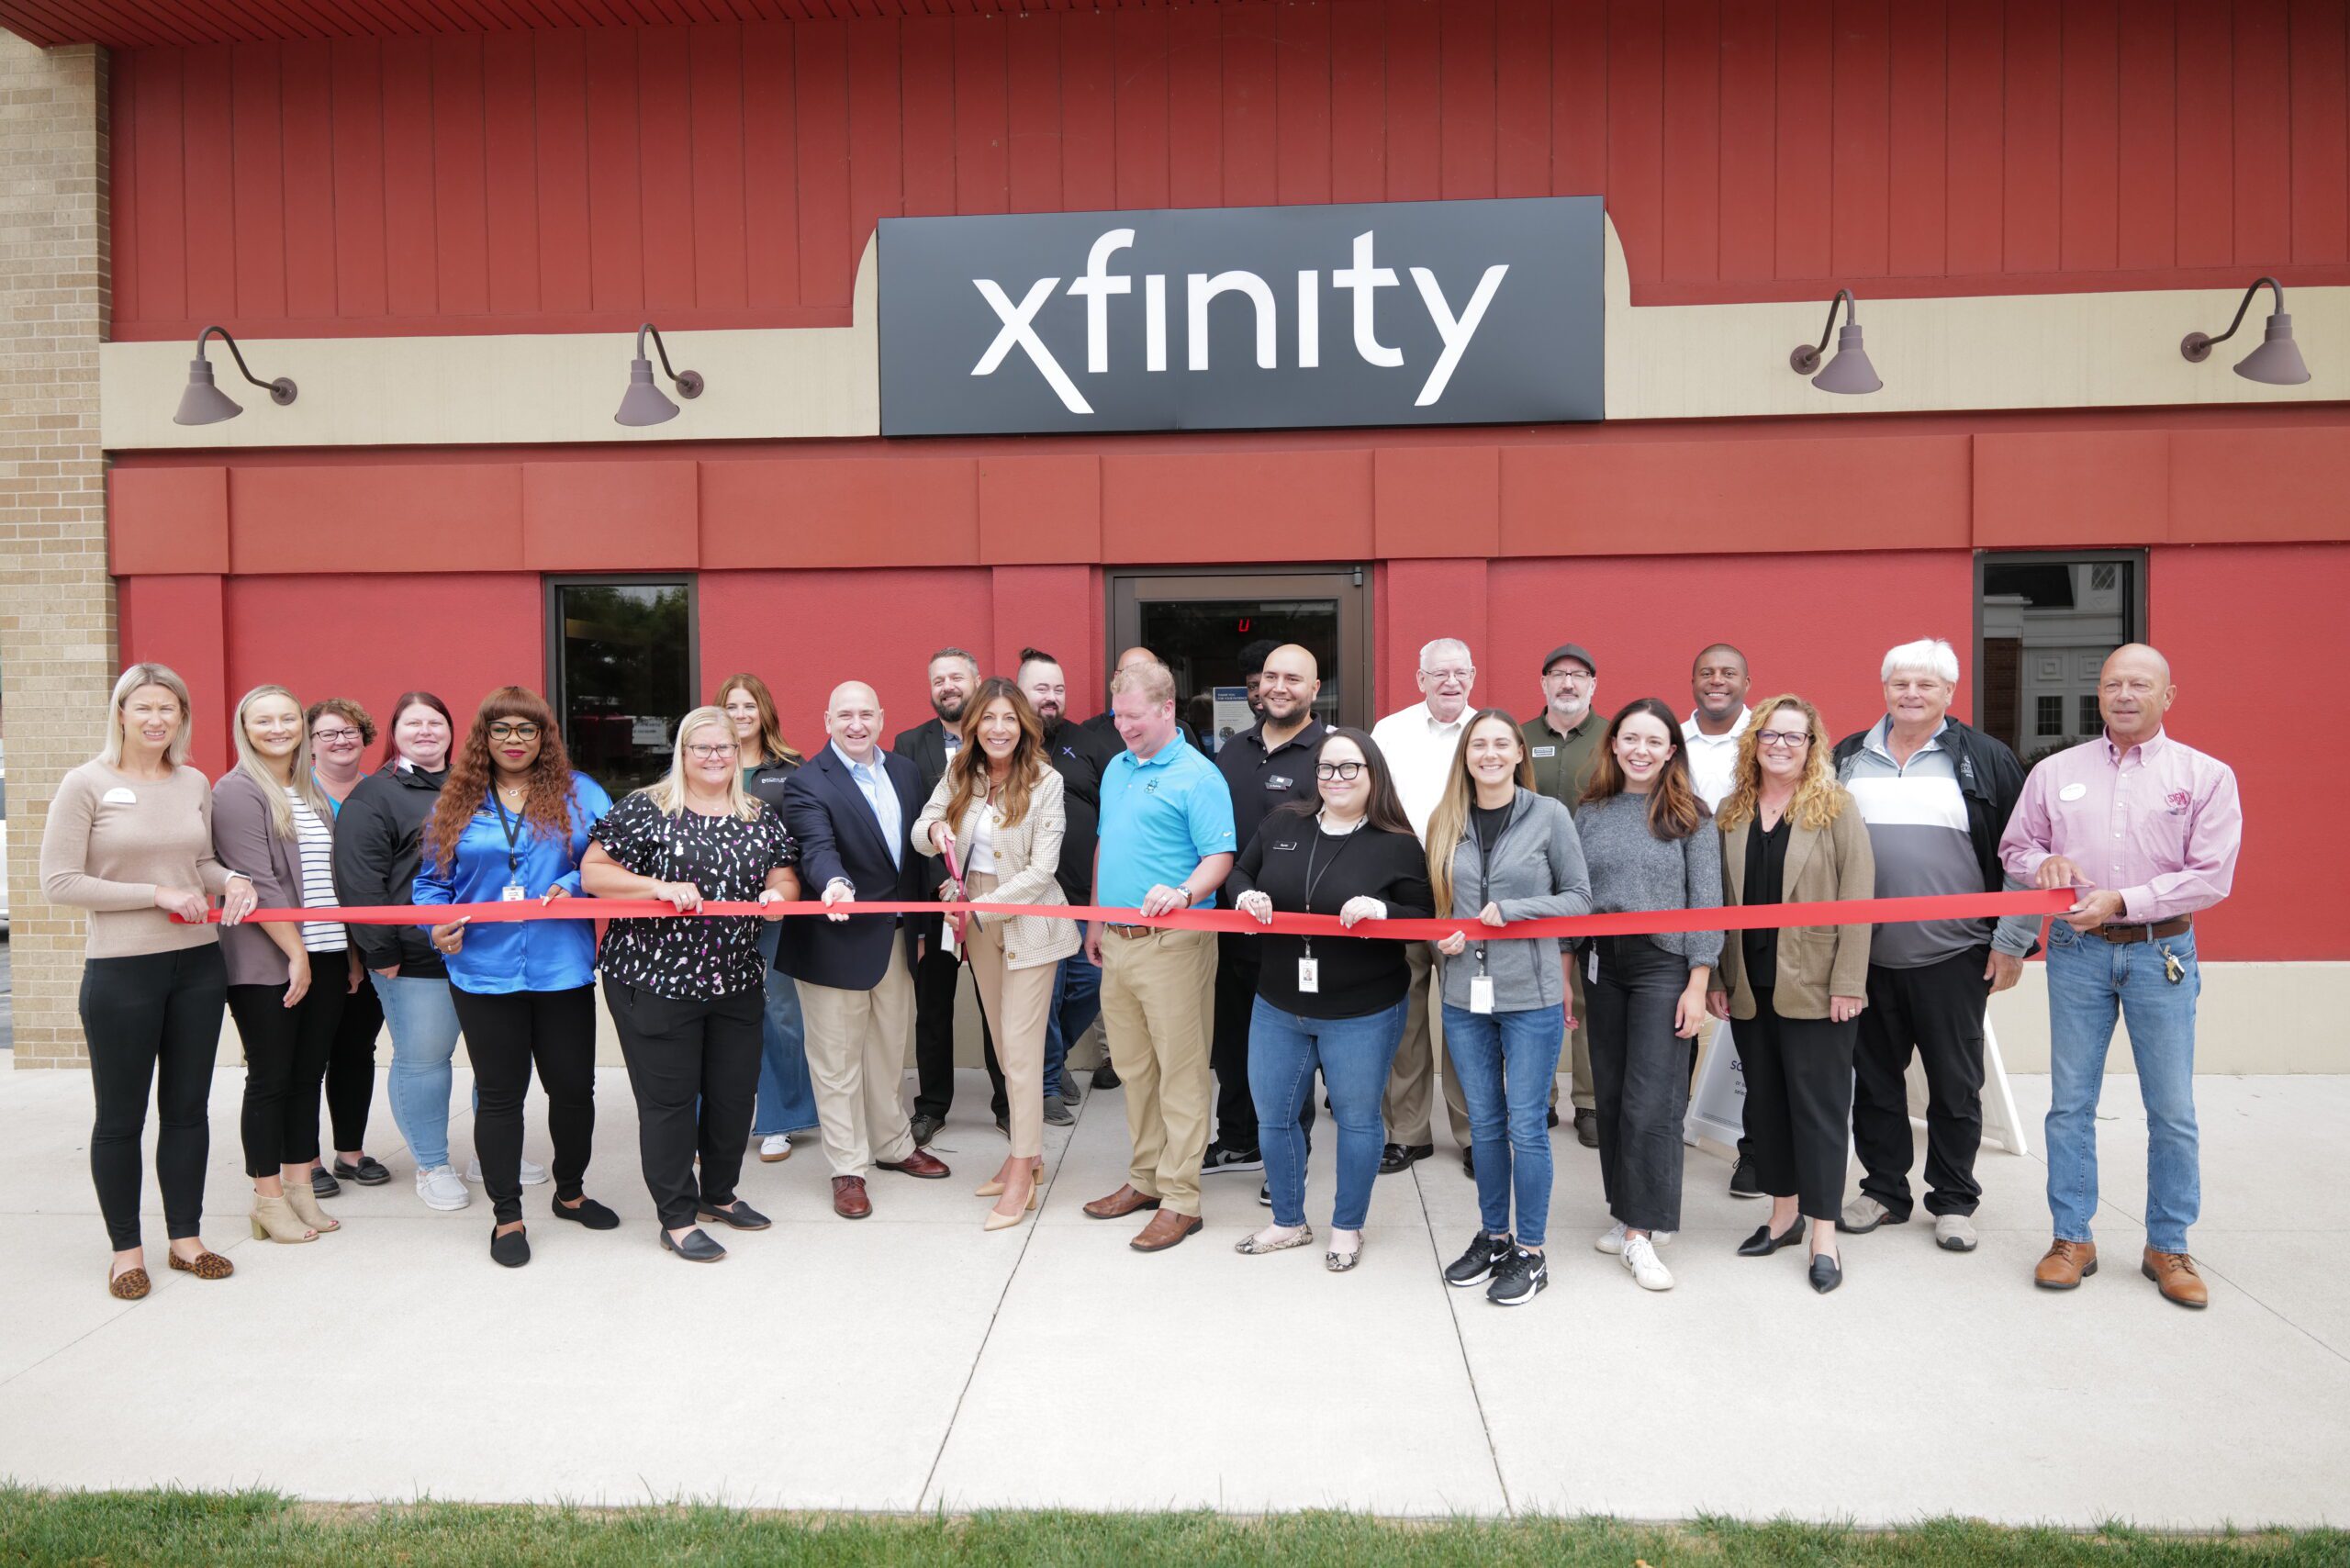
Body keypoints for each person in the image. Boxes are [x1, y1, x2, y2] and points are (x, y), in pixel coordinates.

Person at [2002, 644, 2241, 1310]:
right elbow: (2016, 847)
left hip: (2159, 955)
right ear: (2099, 695)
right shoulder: (2054, 771)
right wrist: (2042, 863)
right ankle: (2072, 1238)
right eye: (2113, 685)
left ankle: (2167, 1243)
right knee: (2069, 1103)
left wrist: (2123, 900)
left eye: (2140, 684)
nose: (2125, 695)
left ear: (2169, 695)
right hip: (2076, 955)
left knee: (2171, 1110)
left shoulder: (2206, 776)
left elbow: (2210, 875)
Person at [41, 663, 257, 1299]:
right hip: (121, 969)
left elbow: (200, 863)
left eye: (169, 709)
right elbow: (58, 882)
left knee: (188, 1109)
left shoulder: (192, 781)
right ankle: (126, 1251)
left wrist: (233, 880)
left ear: (182, 718)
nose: (157, 719)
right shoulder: (85, 783)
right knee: (121, 1117)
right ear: (121, 714)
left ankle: (185, 1240)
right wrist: (154, 893)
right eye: (144, 708)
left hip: (197, 963)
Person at [1830, 638, 2038, 1254]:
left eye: (1926, 684)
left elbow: (2021, 852)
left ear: (1950, 692)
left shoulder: (1985, 758)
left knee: (1954, 1085)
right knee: (1874, 1083)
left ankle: (1952, 1200)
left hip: (1955, 956)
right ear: (1885, 689)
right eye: (1900, 683)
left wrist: (2011, 942)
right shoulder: (1847, 758)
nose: (1911, 694)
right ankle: (1884, 1191)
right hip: (1863, 959)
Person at [583, 707, 802, 1263]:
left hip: (735, 979)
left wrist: (781, 896)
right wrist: (657, 887)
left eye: (723, 748)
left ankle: (719, 1196)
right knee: (670, 1103)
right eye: (700, 748)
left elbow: (782, 871)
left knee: (733, 1096)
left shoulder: (757, 813)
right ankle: (676, 1217)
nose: (712, 757)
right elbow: (594, 873)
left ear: (738, 753)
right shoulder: (648, 808)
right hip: (655, 982)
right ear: (681, 753)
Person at [415, 687, 618, 1268]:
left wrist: (575, 885)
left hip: (562, 969)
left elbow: (612, 863)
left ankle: (570, 1192)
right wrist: (437, 927)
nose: (514, 741)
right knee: (501, 1096)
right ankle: (507, 1215)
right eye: (501, 730)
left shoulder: (583, 795)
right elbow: (431, 886)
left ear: (543, 737)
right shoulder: (456, 800)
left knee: (574, 1089)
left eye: (526, 730)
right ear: (484, 737)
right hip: (482, 971)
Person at [335, 692, 546, 1212]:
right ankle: (431, 1164)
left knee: (497, 1061)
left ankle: (491, 1154)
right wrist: (381, 950)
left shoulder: (475, 785)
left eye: (436, 722)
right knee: (426, 1061)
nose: (426, 731)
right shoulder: (374, 796)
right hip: (415, 959)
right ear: (394, 731)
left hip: (487, 952)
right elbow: (361, 882)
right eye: (413, 723)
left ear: (454, 732)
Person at [1228, 729, 1430, 1271]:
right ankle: (1288, 1221)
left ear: (1373, 775)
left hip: (1362, 1011)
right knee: (1274, 1116)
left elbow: (1425, 917)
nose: (1335, 779)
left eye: (1349, 769)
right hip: (1278, 1002)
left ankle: (1347, 1227)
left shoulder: (1397, 842)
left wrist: (1384, 912)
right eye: (1326, 768)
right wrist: (1245, 894)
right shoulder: (1283, 823)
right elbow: (1242, 870)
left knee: (1359, 1121)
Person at [1708, 696, 1874, 1294]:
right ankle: (1783, 1214)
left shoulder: (1835, 807)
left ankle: (1823, 1233)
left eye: (1795, 737)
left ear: (1812, 746)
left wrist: (1849, 983)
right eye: (1771, 735)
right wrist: (1722, 979)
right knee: (1767, 1109)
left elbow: (1859, 901)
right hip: (1751, 988)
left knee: (1820, 1112)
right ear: (1754, 742)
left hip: (1818, 988)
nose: (1781, 745)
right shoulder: (1731, 812)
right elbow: (1721, 905)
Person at [1427, 711, 1594, 1306]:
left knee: (1527, 1125)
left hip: (1532, 996)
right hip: (1464, 997)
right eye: (1479, 744)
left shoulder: (1548, 816)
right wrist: (1440, 938)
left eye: (1501, 743)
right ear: (1465, 755)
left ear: (1519, 751)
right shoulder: (1444, 820)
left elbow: (1579, 900)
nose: (1490, 753)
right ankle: (1494, 1236)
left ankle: (1532, 1250)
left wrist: (1517, 911)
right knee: (1486, 1124)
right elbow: (1435, 908)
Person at [778, 681, 952, 1219]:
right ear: (827, 720)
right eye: (844, 716)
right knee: (836, 1065)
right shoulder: (807, 782)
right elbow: (816, 846)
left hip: (897, 940)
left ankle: (894, 1146)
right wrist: (833, 885)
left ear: (881, 718)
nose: (856, 725)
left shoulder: (904, 770)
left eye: (865, 715)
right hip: (834, 941)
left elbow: (916, 851)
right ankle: (847, 1168)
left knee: (886, 1055)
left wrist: (931, 911)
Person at [1081, 658, 1237, 1253]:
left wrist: (1185, 892)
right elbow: (1105, 845)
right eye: (1118, 716)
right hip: (1117, 942)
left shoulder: (1199, 777)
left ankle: (1181, 1198)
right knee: (1134, 1070)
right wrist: (1097, 917)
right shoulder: (1118, 768)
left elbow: (1218, 857)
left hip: (1174, 944)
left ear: (1168, 709)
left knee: (1180, 1072)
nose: (1124, 727)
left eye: (1135, 716)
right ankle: (1145, 1179)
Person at [914, 679, 1079, 1230]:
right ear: (975, 726)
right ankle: (1020, 1159)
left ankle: (1023, 1170)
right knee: (1007, 1053)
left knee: (1022, 1049)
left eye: (1011, 719)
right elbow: (920, 830)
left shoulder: (1046, 780)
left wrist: (981, 905)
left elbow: (1043, 869)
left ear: (1024, 725)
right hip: (978, 923)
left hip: (1028, 920)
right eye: (990, 719)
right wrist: (936, 827)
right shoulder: (962, 773)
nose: (1000, 729)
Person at [1578, 698, 1723, 1294]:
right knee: (1611, 1095)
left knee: (1650, 1099)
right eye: (1629, 739)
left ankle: (1642, 1233)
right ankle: (1625, 1210)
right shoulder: (1589, 811)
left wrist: (1698, 980)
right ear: (1614, 744)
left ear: (1670, 750)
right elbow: (1574, 893)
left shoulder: (1691, 815)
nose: (1640, 750)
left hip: (1663, 964)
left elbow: (1706, 903)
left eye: (1653, 741)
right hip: (1602, 965)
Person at [213, 685, 356, 1246]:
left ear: (302, 725)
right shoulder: (238, 790)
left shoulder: (307, 789)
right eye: (262, 720)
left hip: (321, 950)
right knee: (270, 1079)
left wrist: (340, 952)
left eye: (287, 718)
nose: (277, 728)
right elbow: (260, 881)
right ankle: (267, 1199)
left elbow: (328, 882)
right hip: (267, 961)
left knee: (306, 1077)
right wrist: (296, 954)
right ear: (244, 728)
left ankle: (300, 1187)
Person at [1205, 643, 1331, 1178]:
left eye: (1294, 679)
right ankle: (1236, 1139)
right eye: (1271, 678)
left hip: (1295, 935)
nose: (1279, 688)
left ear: (1315, 689)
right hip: (1230, 929)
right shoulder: (1232, 750)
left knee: (1292, 1057)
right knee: (1232, 1047)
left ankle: (1289, 1158)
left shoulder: (1335, 751)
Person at [1368, 637, 1477, 1176]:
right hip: (1402, 883)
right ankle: (1408, 1132)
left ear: (1473, 677)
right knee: (1404, 1013)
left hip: (1466, 885)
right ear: (1420, 679)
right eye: (1439, 674)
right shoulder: (1389, 732)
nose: (1450, 682)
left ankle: (1474, 1133)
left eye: (1460, 673)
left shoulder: (1487, 732)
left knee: (1464, 1015)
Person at [717, 672, 818, 1163]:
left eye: (749, 706)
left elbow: (808, 834)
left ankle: (781, 1118)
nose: (740, 715)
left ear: (764, 714)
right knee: (715, 1014)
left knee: (780, 1012)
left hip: (777, 910)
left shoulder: (792, 768)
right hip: (713, 916)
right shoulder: (703, 763)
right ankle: (712, 1119)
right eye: (731, 706)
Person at [1521, 641, 1607, 1149]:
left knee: (1589, 996)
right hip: (1532, 887)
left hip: (1596, 886)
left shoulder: (1612, 737)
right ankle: (1540, 1097)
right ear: (1544, 684)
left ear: (1593, 685)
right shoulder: (1521, 736)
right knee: (1537, 992)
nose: (1568, 683)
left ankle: (1591, 1102)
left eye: (1578, 675)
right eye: (1558, 674)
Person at [895, 647, 982, 1145]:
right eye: (938, 680)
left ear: (976, 680)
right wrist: (941, 883)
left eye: (956, 677)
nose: (947, 686)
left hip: (996, 897)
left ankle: (1006, 1102)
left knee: (998, 1009)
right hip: (937, 901)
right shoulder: (909, 744)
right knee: (933, 1009)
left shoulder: (1000, 735)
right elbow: (912, 820)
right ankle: (931, 1106)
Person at [303, 698, 389, 1197]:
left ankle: (350, 1152)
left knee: (357, 1048)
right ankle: (307, 1157)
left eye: (351, 731)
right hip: (315, 943)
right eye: (329, 733)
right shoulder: (294, 795)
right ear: (311, 743)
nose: (342, 741)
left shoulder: (378, 792)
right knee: (312, 1053)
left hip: (370, 942)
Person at [1684, 644, 1761, 1198]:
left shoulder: (1769, 738)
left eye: (1728, 673)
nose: (1717, 681)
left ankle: (1755, 1153)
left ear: (1746, 681)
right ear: (1693, 681)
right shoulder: (1670, 741)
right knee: (1678, 1023)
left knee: (1754, 1029)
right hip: (1684, 893)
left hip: (1752, 889)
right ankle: (1664, 1143)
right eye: (1707, 673)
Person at [1016, 648, 1105, 1124]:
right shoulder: (1005, 741)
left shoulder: (1087, 742)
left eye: (1058, 689)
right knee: (1044, 996)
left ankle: (1055, 1058)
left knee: (1089, 986)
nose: (1051, 698)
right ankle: (1049, 1083)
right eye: (1041, 688)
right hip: (1031, 900)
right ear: (1019, 691)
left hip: (1081, 898)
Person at [1081, 644, 1202, 759]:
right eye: (1131, 674)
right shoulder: (1091, 732)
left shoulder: (1178, 730)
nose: (1139, 681)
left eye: (1148, 675)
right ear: (1117, 676)